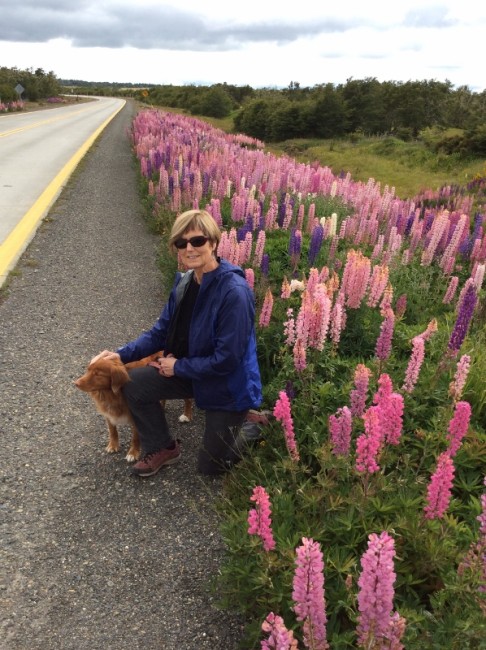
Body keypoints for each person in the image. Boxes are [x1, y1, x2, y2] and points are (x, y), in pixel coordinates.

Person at [91, 209, 262, 477]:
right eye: (181, 243)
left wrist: (179, 367)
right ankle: (162, 446)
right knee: (133, 383)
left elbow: (228, 359)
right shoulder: (184, 282)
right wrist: (118, 356)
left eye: (198, 241)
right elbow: (160, 332)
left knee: (211, 469)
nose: (189, 249)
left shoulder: (234, 293)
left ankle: (251, 425)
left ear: (214, 243)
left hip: (227, 386)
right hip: (192, 372)